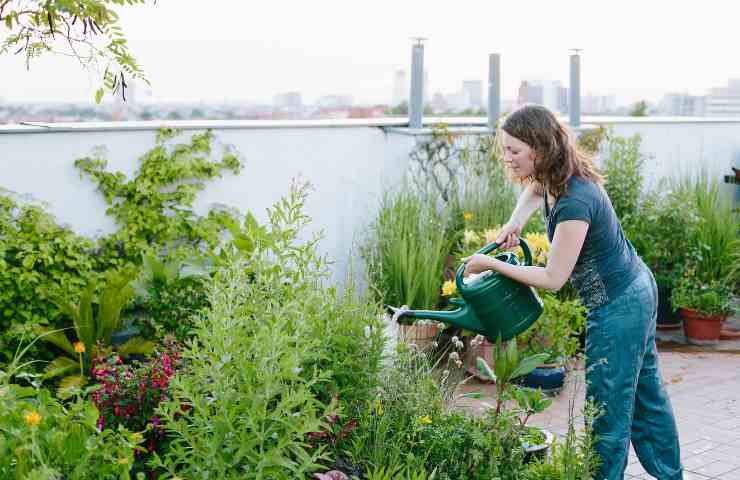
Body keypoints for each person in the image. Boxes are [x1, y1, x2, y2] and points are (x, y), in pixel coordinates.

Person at [462, 104, 682, 480]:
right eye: (505, 148)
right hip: (632, 288)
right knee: (647, 397)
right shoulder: (555, 175)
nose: (507, 157)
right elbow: (534, 191)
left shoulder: (576, 201)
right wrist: (514, 223)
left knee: (606, 407)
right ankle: (670, 474)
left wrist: (491, 263)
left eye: (514, 150)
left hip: (620, 305)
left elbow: (553, 277)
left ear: (539, 147)